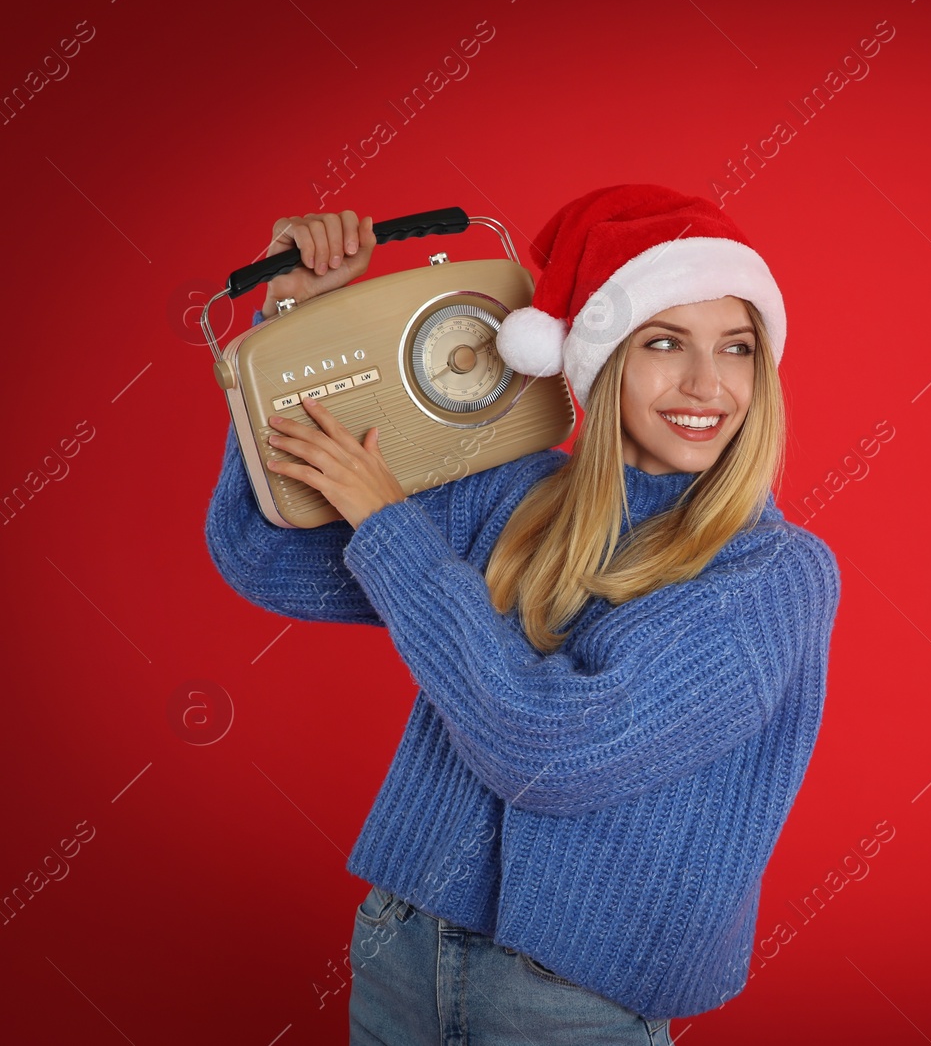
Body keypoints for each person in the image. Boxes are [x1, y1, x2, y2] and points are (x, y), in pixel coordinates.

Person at [203, 185, 842, 1045]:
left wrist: (390, 525)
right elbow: (263, 551)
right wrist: (297, 322)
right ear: (602, 355)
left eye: (736, 348)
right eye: (664, 342)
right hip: (403, 946)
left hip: (571, 1001)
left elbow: (551, 750)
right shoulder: (516, 491)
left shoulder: (771, 574)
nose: (707, 383)